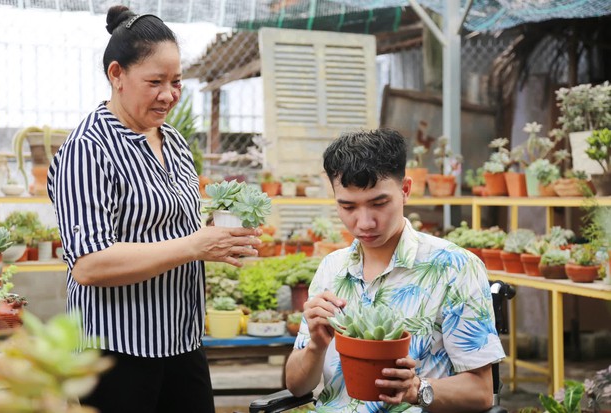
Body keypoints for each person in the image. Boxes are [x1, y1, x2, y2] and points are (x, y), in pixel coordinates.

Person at [47, 6, 261, 413]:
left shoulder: (175, 143)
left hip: (181, 339)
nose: (169, 94)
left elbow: (174, 230)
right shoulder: (89, 149)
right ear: (117, 75)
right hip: (117, 350)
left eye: (176, 82)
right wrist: (195, 246)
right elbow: (90, 264)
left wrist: (221, 237)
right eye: (155, 82)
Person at [285, 129, 505, 412]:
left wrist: (417, 389)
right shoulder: (332, 267)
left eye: (379, 203)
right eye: (348, 206)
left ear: (405, 190)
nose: (364, 222)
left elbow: (482, 392)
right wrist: (315, 345)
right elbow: (297, 386)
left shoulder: (454, 268)